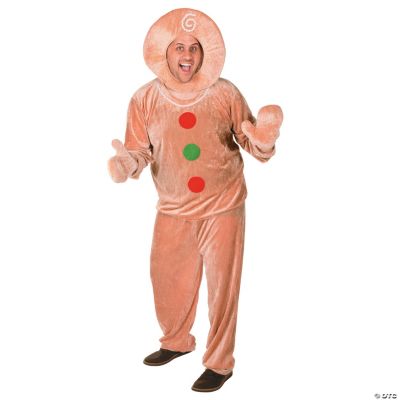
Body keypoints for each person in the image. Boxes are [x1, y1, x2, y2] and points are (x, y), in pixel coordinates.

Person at [108, 8, 283, 392]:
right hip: (172, 207)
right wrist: (126, 164)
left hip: (223, 205)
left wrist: (265, 140)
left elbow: (250, 138)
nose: (187, 55)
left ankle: (219, 363)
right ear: (164, 52)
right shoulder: (144, 98)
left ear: (205, 53)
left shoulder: (224, 92)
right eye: (179, 47)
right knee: (167, 280)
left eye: (194, 48)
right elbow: (139, 149)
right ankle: (176, 341)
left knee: (223, 289)